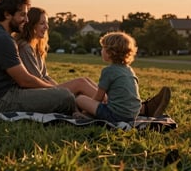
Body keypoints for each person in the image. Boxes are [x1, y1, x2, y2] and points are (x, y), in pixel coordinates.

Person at [17, 7, 171, 117]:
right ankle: (139, 109)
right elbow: (35, 81)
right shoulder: (25, 47)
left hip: (44, 89)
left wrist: (59, 88)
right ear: (32, 26)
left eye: (47, 23)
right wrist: (59, 91)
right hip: (35, 94)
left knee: (83, 81)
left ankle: (127, 106)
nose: (47, 27)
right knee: (80, 83)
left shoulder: (36, 48)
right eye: (42, 23)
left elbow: (45, 76)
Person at [0, 0, 76, 115]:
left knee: (63, 93)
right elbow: (25, 80)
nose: (27, 20)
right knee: (65, 96)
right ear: (7, 14)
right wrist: (54, 89)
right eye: (22, 15)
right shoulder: (2, 38)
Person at [75, 31, 141, 122]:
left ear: (110, 52)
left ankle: (86, 116)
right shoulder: (129, 69)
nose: (101, 51)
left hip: (116, 115)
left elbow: (99, 97)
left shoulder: (109, 71)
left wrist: (87, 109)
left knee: (80, 99)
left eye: (103, 48)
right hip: (132, 115)